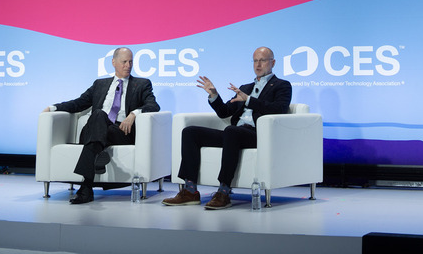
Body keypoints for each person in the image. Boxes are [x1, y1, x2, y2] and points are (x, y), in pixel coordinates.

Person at [162, 46, 291, 210]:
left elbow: (279, 109)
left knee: (231, 131)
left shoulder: (282, 85)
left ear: (273, 63)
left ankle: (224, 191)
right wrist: (214, 95)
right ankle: (190, 191)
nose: (258, 65)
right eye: (255, 61)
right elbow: (224, 112)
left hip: (258, 134)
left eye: (262, 61)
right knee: (190, 132)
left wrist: (249, 100)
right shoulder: (246, 88)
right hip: (235, 134)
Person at [42, 47, 159, 204]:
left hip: (120, 132)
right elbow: (79, 103)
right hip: (95, 127)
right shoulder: (100, 84)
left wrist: (134, 114)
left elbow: (153, 105)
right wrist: (53, 108)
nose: (128, 65)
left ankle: (86, 187)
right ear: (114, 62)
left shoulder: (142, 84)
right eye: (124, 62)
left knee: (98, 119)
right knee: (99, 114)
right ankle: (95, 163)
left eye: (131, 62)